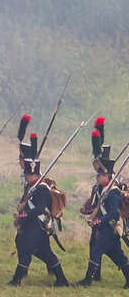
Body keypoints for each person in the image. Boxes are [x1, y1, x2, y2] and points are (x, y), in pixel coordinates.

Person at [8, 120, 71, 286]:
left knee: (26, 250)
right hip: (34, 224)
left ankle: (16, 281)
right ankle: (62, 280)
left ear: (34, 175)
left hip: (38, 224)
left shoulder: (42, 189)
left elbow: (39, 209)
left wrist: (22, 215)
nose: (26, 177)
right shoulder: (34, 187)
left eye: (28, 175)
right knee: (46, 254)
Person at [79, 119, 125, 287]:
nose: (97, 177)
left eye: (99, 175)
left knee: (97, 251)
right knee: (117, 255)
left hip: (109, 226)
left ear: (107, 176)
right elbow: (99, 206)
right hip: (103, 226)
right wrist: (90, 210)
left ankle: (87, 282)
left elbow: (112, 213)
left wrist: (97, 221)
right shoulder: (103, 189)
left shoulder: (113, 192)